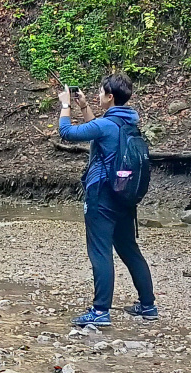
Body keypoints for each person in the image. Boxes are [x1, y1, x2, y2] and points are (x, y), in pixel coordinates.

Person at [58, 73, 157, 328]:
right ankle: (148, 306)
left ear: (110, 96)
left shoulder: (106, 125)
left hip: (102, 194)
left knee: (100, 251)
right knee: (129, 249)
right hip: (124, 194)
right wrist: (83, 107)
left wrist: (66, 106)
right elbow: (101, 137)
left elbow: (66, 132)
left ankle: (100, 310)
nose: (98, 95)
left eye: (101, 93)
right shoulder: (127, 123)